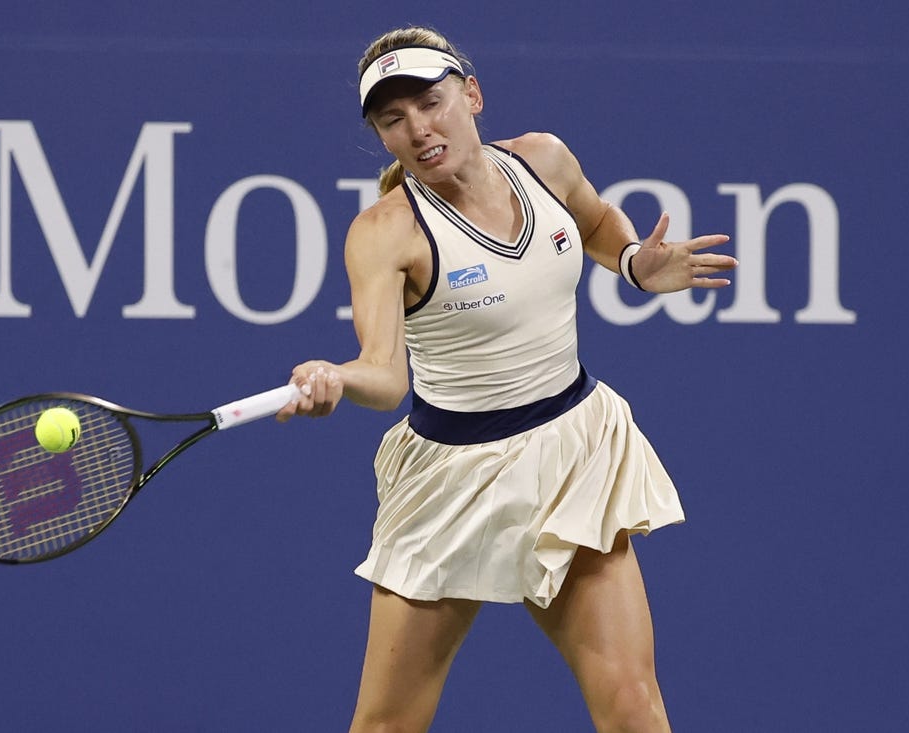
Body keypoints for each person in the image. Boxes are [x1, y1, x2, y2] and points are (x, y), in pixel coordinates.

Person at [276, 25, 737, 733]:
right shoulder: (385, 232)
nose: (419, 130)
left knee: (633, 704)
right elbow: (384, 376)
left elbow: (593, 221)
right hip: (451, 483)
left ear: (472, 95)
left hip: (573, 454)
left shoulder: (543, 159)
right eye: (393, 120)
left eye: (431, 104)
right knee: (386, 725)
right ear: (381, 135)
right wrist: (337, 377)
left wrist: (638, 263)